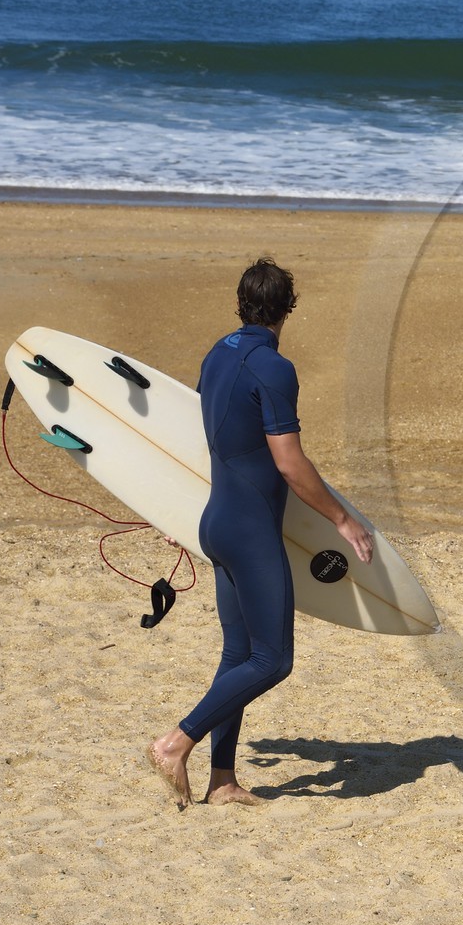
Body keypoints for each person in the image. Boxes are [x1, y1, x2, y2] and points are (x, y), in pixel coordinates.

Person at [146, 258, 373, 809]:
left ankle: (221, 781)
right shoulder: (274, 369)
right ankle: (176, 742)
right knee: (273, 660)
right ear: (287, 308)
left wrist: (181, 513)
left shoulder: (216, 354)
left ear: (241, 303)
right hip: (249, 530)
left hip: (217, 521)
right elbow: (289, 464)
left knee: (237, 656)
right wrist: (343, 519)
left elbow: (208, 436)